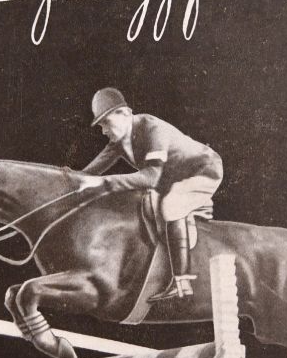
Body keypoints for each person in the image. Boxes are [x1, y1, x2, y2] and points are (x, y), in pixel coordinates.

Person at [78, 87, 223, 301]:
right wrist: (65, 179)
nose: (104, 131)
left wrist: (104, 183)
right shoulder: (118, 142)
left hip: (203, 170)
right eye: (101, 126)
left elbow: (150, 178)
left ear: (125, 113)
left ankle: (181, 281)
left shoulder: (152, 129)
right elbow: (88, 172)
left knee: (170, 206)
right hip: (172, 178)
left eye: (106, 122)